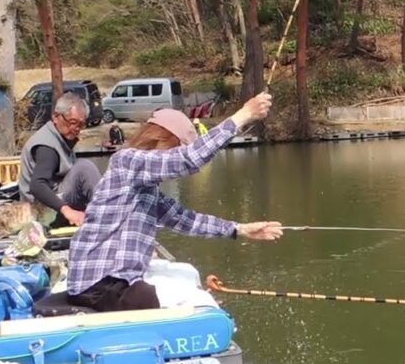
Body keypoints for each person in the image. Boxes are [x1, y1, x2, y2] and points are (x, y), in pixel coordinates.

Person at [66, 92, 283, 312]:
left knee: (186, 275)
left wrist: (240, 230)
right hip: (97, 284)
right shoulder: (127, 162)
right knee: (153, 297)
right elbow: (187, 159)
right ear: (162, 139)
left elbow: (184, 219)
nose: (173, 164)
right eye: (175, 148)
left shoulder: (146, 188)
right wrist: (244, 115)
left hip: (114, 284)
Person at [18, 92, 101, 227]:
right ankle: (109, 213)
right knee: (84, 167)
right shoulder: (47, 147)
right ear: (56, 117)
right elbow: (37, 185)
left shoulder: (60, 138)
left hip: (57, 200)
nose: (76, 129)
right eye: (72, 123)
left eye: (81, 125)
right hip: (42, 210)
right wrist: (68, 211)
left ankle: (105, 212)